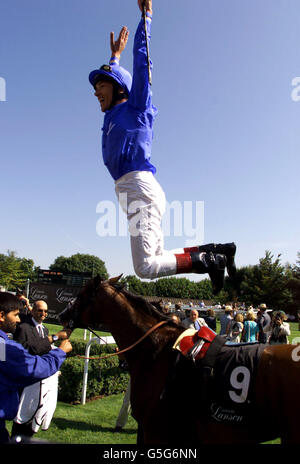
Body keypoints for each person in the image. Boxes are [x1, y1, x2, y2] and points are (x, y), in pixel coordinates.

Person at [89, 0, 237, 294]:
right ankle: (213, 251)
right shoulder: (113, 114)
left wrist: (147, 17)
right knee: (153, 261)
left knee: (145, 268)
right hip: (134, 192)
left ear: (118, 87)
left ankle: (210, 259)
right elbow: (116, 77)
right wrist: (113, 58)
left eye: (101, 86)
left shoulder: (137, 106)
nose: (96, 92)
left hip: (139, 189)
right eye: (95, 88)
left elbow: (142, 64)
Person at [0, 292, 71, 443]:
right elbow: (32, 367)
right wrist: (60, 352)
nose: (18, 319)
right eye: (16, 315)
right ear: (1, 315)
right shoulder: (4, 348)